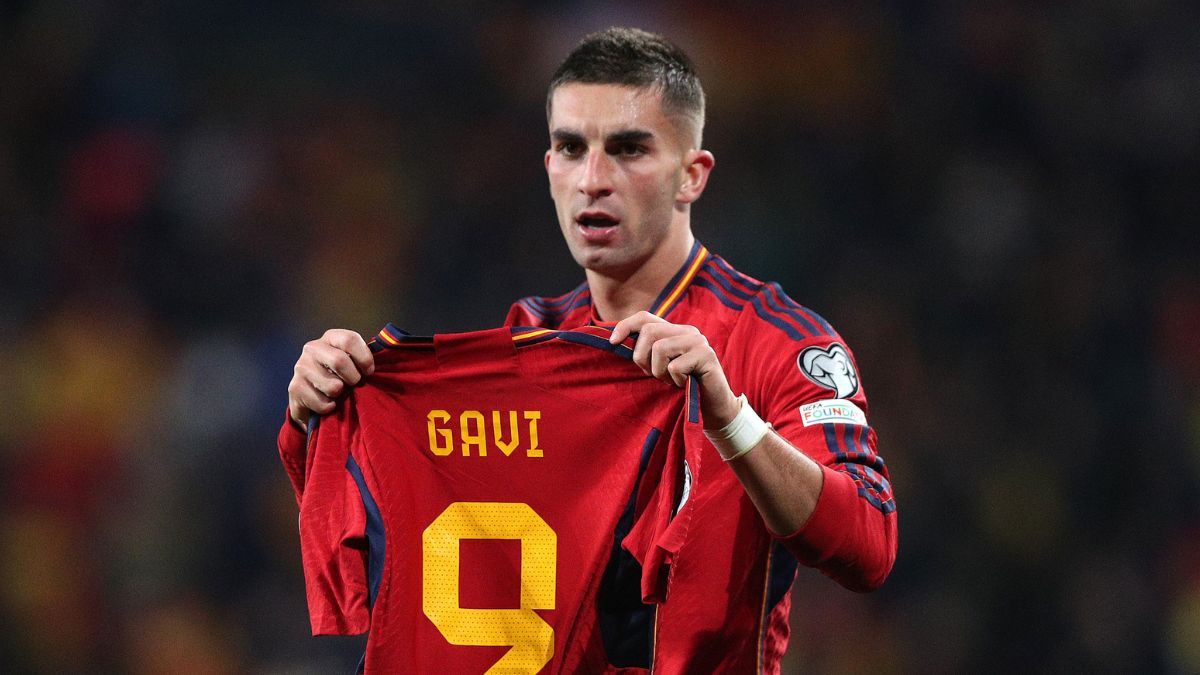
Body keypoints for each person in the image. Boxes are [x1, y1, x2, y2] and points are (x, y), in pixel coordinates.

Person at [280, 27, 897, 673]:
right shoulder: (530, 336)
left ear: (691, 176)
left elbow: (869, 546)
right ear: (550, 168)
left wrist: (729, 420)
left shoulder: (779, 342)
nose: (594, 179)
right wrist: (321, 412)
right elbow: (403, 544)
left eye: (629, 149)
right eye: (572, 148)